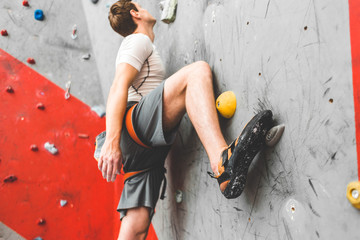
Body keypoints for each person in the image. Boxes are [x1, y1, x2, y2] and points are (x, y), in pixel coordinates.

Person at [94, 1, 281, 239]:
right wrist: (111, 141)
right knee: (196, 73)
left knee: (137, 227)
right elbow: (117, 86)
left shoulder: (143, 45)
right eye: (140, 5)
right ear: (135, 13)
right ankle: (222, 164)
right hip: (132, 127)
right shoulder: (137, 40)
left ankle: (226, 176)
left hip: (141, 147)